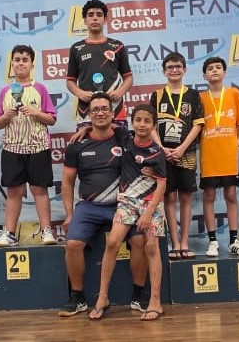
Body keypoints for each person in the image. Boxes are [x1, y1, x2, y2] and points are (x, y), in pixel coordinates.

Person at [59, 92, 148, 317]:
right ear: (89, 115)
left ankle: (139, 294)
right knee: (72, 244)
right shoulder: (77, 145)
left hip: (123, 205)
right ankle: (77, 297)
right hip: (89, 207)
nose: (100, 113)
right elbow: (67, 182)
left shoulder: (125, 138)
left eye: (105, 109)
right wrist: (69, 214)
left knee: (139, 240)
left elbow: (147, 141)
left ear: (112, 113)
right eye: (95, 109)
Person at [88, 104, 167, 321]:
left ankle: (156, 301)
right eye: (138, 120)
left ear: (153, 125)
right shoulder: (125, 139)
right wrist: (84, 129)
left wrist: (148, 213)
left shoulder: (158, 152)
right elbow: (105, 123)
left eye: (147, 121)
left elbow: (162, 185)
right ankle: (102, 297)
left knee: (151, 246)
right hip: (127, 201)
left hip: (152, 203)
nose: (142, 124)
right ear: (132, 123)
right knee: (113, 242)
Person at [0, 45, 58, 247]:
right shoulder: (5, 91)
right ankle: (10, 233)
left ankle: (46, 231)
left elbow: (52, 119)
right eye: (17, 60)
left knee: (39, 189)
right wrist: (7, 116)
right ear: (12, 63)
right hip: (12, 148)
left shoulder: (40, 89)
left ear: (31, 64)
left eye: (25, 60)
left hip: (38, 147)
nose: (21, 63)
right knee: (14, 191)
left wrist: (36, 113)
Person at [150, 52, 204, 259]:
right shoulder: (157, 95)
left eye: (178, 66)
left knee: (186, 197)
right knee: (169, 197)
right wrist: (162, 148)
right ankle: (174, 243)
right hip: (163, 155)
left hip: (186, 153)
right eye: (170, 67)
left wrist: (181, 148)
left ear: (185, 70)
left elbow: (198, 124)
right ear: (164, 71)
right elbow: (151, 125)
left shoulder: (193, 95)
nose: (174, 70)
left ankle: (185, 243)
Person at [199, 57, 239, 257]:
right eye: (210, 68)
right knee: (209, 196)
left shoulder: (234, 94)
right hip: (209, 155)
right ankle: (212, 241)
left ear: (224, 72)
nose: (214, 70)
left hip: (228, 155)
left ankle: (233, 240)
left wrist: (227, 142)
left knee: (231, 195)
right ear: (204, 75)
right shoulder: (200, 98)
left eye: (218, 67)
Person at [66, 0, 133, 128]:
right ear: (85, 20)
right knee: (86, 141)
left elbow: (128, 77)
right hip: (86, 111)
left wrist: (119, 92)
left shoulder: (117, 46)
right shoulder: (76, 48)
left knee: (119, 142)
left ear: (105, 19)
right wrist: (80, 93)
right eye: (91, 15)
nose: (95, 18)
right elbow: (70, 81)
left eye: (99, 14)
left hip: (114, 109)